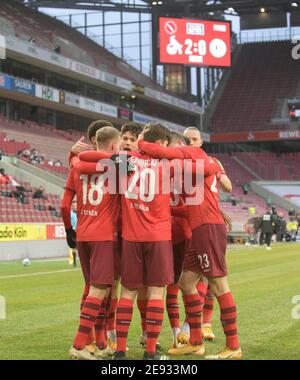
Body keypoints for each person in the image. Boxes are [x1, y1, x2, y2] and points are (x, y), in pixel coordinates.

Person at [138, 136, 242, 360]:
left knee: (218, 285)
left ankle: (233, 346)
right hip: (200, 227)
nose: (173, 152)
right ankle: (195, 342)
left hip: (207, 227)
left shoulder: (192, 154)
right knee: (185, 281)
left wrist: (142, 144)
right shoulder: (198, 165)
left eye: (175, 148)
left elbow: (165, 154)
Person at [61, 126, 121, 360]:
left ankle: (101, 343)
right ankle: (78, 345)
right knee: (99, 290)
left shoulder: (76, 168)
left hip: (83, 234)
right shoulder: (116, 167)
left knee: (95, 290)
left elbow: (66, 205)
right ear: (114, 145)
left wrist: (69, 230)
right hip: (103, 235)